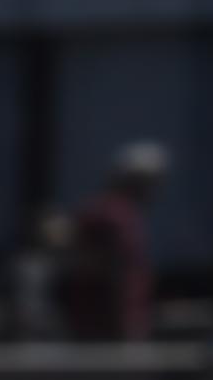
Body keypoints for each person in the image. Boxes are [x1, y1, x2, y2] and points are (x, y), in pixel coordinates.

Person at [54, 142, 164, 342]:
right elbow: (119, 272)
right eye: (149, 183)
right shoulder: (114, 217)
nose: (153, 191)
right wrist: (127, 324)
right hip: (105, 329)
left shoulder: (112, 213)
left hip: (101, 325)